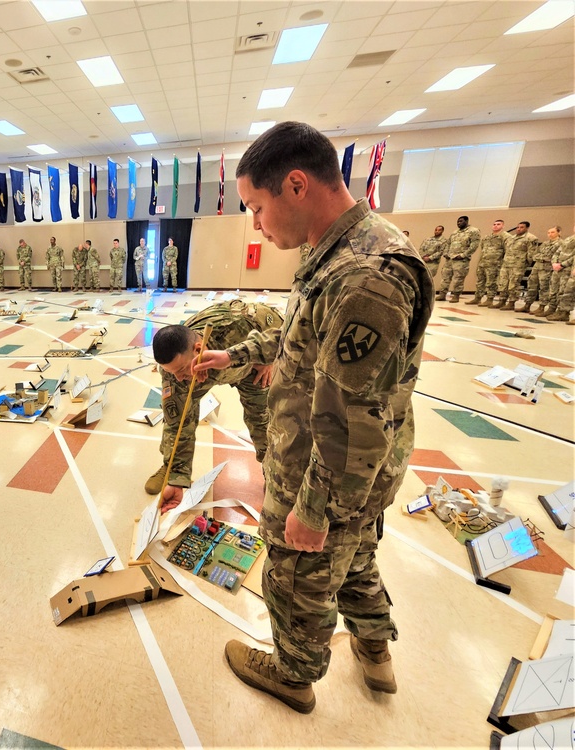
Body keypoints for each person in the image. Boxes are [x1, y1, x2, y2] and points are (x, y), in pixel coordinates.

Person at [189, 122, 433, 714]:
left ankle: (293, 674)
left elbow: (352, 419)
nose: (255, 223)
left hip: (329, 476)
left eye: (256, 206)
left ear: (296, 185)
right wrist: (239, 355)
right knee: (355, 561)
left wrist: (311, 510)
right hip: (354, 476)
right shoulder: (343, 251)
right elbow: (304, 343)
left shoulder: (363, 275)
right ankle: (375, 653)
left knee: (298, 574)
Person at [146, 300, 282, 498]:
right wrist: (178, 478)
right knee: (178, 417)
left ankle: (273, 474)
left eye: (182, 370)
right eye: (171, 372)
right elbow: (177, 423)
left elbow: (285, 330)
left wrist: (269, 359)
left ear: (198, 349)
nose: (178, 378)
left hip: (249, 367)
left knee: (261, 421)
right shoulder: (176, 371)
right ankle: (173, 470)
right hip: (205, 370)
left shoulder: (236, 325)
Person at [434, 216, 480, 302]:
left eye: (461, 221)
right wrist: (446, 253)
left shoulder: (473, 231)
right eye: (458, 221)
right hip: (450, 259)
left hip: (461, 260)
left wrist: (463, 255)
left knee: (458, 278)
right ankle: (442, 294)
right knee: (445, 277)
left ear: (466, 221)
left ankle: (456, 295)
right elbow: (448, 243)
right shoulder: (455, 232)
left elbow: (474, 246)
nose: (459, 223)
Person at [493, 222, 536, 310]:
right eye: (518, 227)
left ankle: (511, 302)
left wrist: (524, 263)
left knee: (514, 284)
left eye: (522, 227)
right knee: (503, 283)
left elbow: (531, 253)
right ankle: (502, 300)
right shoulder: (511, 238)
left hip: (518, 265)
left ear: (527, 228)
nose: (519, 229)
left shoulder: (531, 238)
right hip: (506, 264)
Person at [467, 220, 507, 305]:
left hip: (495, 264)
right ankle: (477, 298)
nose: (495, 226)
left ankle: (490, 299)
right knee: (480, 281)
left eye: (498, 224)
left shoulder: (505, 237)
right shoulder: (487, 237)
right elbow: (483, 249)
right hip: (483, 263)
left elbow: (507, 250)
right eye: (494, 224)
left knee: (491, 282)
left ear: (503, 226)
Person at [525, 226, 560, 313]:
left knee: (544, 287)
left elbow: (553, 257)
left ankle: (542, 307)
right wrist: (540, 258)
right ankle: (527, 305)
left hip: (547, 268)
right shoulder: (545, 243)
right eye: (548, 232)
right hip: (537, 266)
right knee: (531, 284)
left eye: (552, 232)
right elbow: (536, 254)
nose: (550, 234)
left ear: (558, 233)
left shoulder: (560, 244)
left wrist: (542, 258)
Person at [543, 224, 575, 320]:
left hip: (567, 268)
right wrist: (554, 262)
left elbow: (573, 257)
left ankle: (563, 313)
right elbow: (558, 251)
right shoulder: (569, 239)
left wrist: (562, 264)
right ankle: (552, 308)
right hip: (558, 268)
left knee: (565, 291)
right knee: (554, 289)